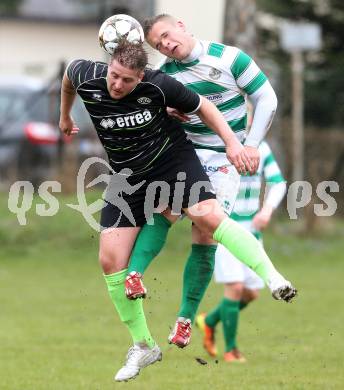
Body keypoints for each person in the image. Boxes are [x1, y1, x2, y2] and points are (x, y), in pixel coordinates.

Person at [59, 42, 295, 382]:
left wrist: (232, 143)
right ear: (107, 66)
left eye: (126, 80)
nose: (117, 85)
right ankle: (143, 346)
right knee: (110, 260)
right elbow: (68, 78)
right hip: (128, 179)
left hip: (173, 164)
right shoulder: (89, 75)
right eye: (114, 76)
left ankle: (273, 277)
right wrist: (64, 116)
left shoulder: (159, 84)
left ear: (141, 76)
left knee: (210, 220)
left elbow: (204, 108)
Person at [125, 14, 292, 348]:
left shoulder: (230, 58)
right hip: (187, 153)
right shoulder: (166, 75)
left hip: (223, 158)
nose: (166, 45)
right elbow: (144, 107)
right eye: (158, 44)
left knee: (206, 234)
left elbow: (266, 99)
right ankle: (134, 275)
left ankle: (185, 321)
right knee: (166, 210)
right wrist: (167, 112)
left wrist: (250, 145)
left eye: (167, 36)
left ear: (182, 26)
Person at [196, 141, 287, 362]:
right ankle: (231, 351)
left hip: (252, 232)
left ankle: (209, 322)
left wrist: (266, 211)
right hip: (224, 227)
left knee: (251, 293)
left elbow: (278, 183)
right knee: (235, 287)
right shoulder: (215, 144)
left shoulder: (261, 148)